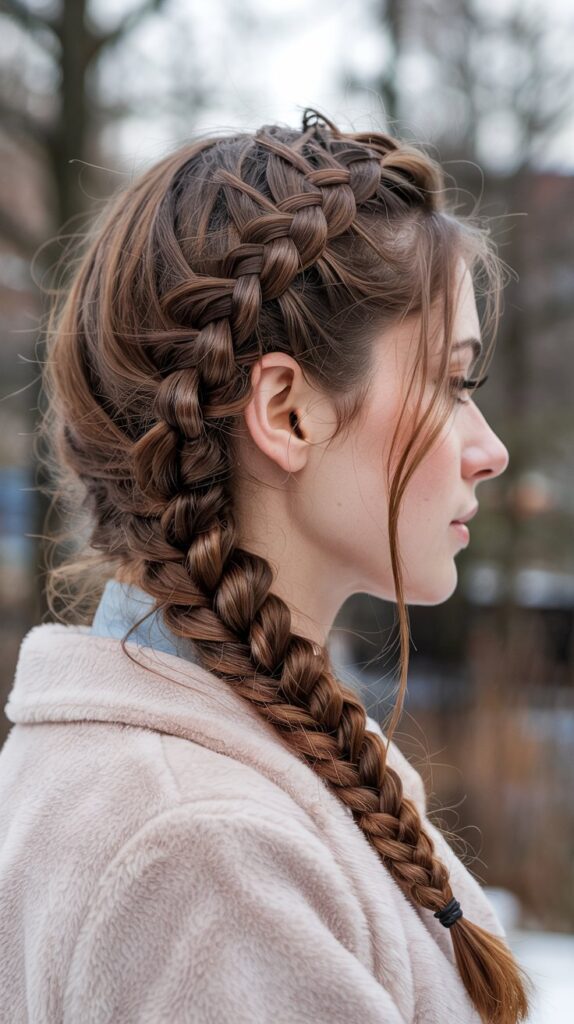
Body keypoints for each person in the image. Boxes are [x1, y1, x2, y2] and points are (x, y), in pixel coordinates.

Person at [0, 108, 534, 1023]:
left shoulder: (207, 789)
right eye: (451, 383)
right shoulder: (208, 858)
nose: (490, 452)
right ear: (287, 411)